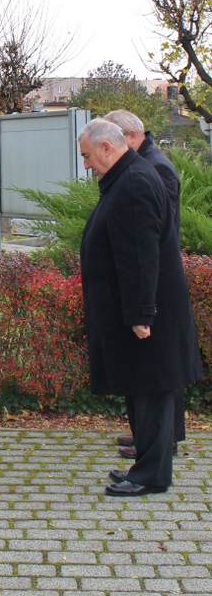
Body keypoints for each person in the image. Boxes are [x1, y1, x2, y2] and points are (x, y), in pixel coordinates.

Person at [79, 118, 201, 496]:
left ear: (106, 148)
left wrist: (141, 314)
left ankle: (151, 475)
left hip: (147, 314)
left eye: (87, 155)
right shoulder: (127, 177)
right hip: (140, 311)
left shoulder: (133, 182)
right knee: (142, 390)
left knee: (151, 393)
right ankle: (144, 467)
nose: (85, 164)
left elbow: (140, 255)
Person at [104, 110, 184, 460]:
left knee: (160, 368)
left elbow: (150, 231)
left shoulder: (154, 168)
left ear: (131, 137)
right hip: (152, 278)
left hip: (157, 280)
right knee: (152, 366)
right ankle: (149, 434)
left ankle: (162, 439)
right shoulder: (145, 163)